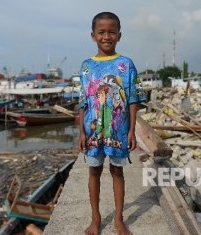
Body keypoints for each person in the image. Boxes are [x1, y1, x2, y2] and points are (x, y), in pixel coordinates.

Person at [78, 12, 146, 235]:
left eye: (111, 32)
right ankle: (95, 219)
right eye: (101, 32)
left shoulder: (126, 64)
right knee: (94, 171)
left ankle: (118, 219)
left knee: (117, 171)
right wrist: (81, 131)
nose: (106, 36)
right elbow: (83, 101)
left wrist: (131, 130)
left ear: (119, 35)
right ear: (93, 36)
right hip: (93, 131)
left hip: (118, 130)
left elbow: (134, 99)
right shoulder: (86, 66)